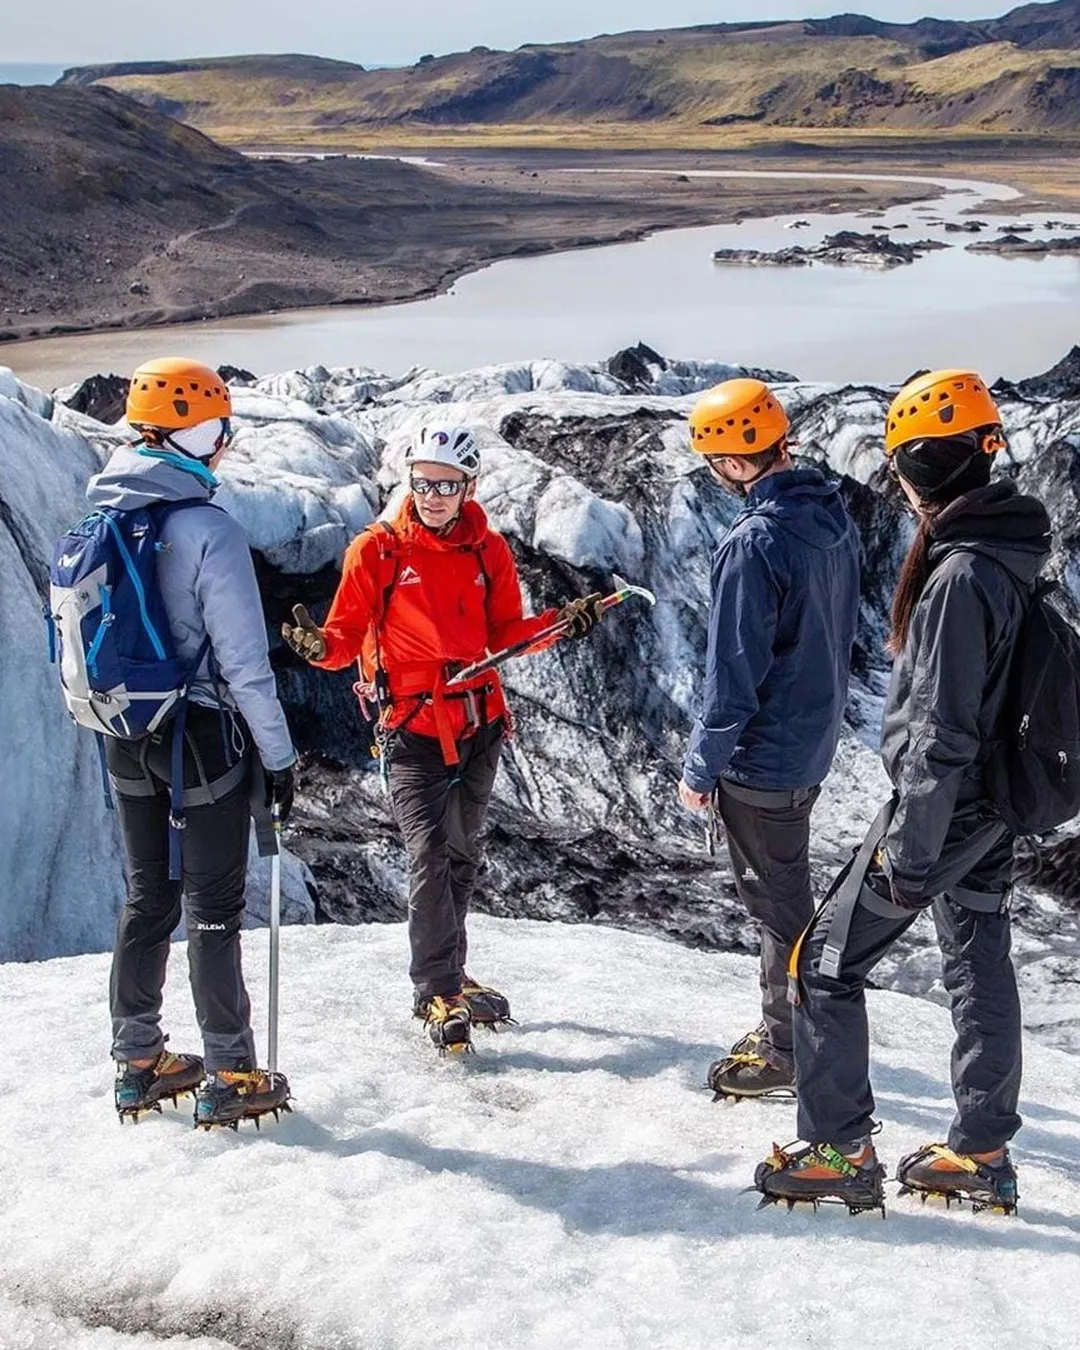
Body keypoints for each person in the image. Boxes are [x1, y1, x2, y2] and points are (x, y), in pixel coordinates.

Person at [756, 369, 1050, 1214]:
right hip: (991, 808)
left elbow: (941, 729)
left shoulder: (960, 576)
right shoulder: (1013, 549)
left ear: (914, 472)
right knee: (977, 961)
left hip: (945, 812)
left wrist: (909, 853)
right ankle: (983, 1152)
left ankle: (843, 1154)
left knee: (825, 964)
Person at [282, 425, 604, 1053]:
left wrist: (561, 624)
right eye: (423, 482)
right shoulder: (376, 551)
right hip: (411, 727)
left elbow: (506, 632)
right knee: (429, 854)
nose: (432, 495)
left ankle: (451, 974)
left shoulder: (489, 552)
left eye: (446, 485)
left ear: (468, 487)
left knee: (461, 852)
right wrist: (320, 648)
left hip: (479, 722)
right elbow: (344, 636)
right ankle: (433, 989)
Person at [90, 358, 297, 1128]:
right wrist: (277, 760)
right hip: (204, 741)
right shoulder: (208, 529)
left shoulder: (102, 517)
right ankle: (231, 1072)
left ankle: (136, 1063)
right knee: (213, 907)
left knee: (149, 896)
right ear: (204, 434)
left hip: (124, 734)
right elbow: (244, 666)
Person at [678, 378, 861, 1099]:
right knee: (784, 895)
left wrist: (701, 768)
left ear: (733, 462)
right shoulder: (830, 516)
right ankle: (790, 1030)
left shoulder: (755, 543)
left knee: (777, 905)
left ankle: (789, 1048)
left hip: (764, 758)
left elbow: (732, 676)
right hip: (811, 743)